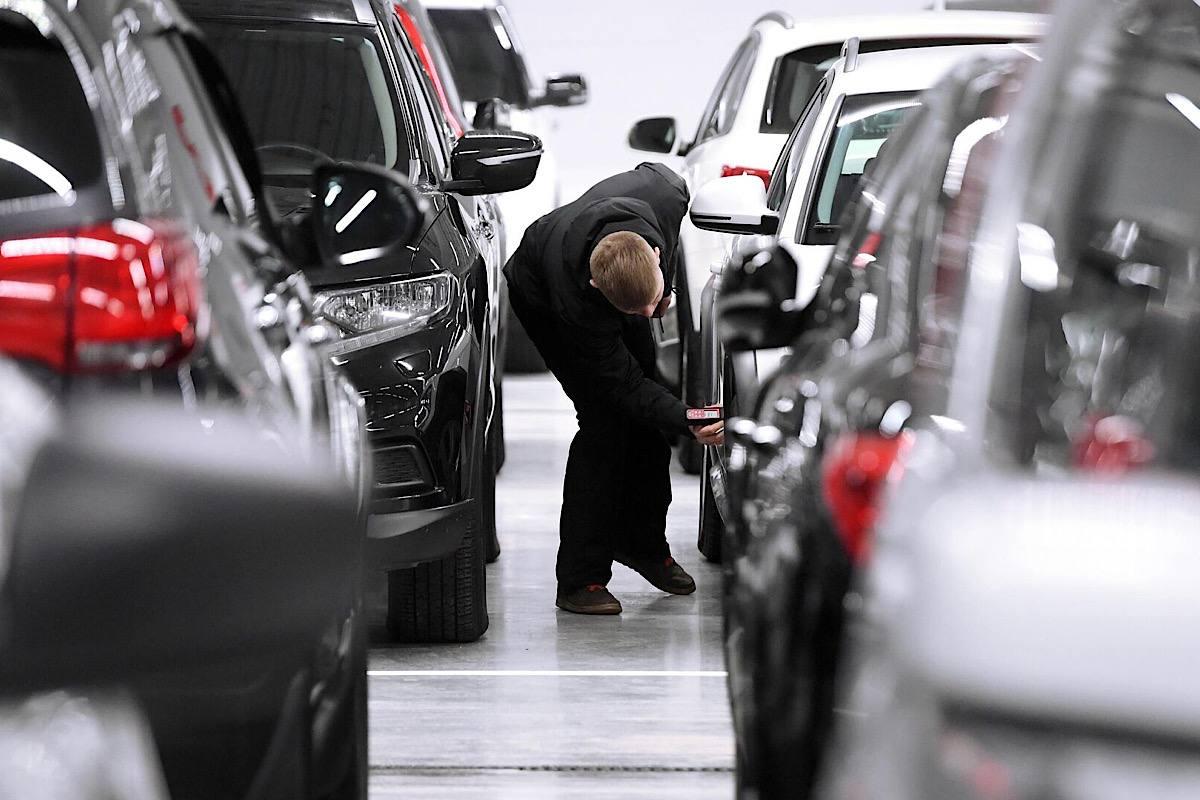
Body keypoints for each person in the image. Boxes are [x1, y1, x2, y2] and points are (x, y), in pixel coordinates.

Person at [504, 162, 725, 615]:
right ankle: (580, 578)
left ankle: (644, 545)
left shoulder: (667, 194)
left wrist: (663, 297)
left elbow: (668, 180)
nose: (651, 315)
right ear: (596, 287)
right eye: (638, 311)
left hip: (621, 273)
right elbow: (623, 385)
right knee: (605, 422)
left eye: (653, 304)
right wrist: (686, 420)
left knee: (649, 420)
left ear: (657, 257)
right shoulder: (576, 302)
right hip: (539, 290)